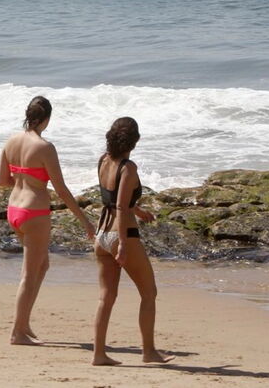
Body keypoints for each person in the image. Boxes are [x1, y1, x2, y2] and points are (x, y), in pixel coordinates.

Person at [0, 95, 97, 345]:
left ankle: (24, 324)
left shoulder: (11, 142)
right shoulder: (45, 148)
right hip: (34, 212)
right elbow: (61, 190)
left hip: (14, 209)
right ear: (47, 118)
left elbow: (2, 180)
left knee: (42, 266)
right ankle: (17, 332)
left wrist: (24, 179)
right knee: (29, 274)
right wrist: (85, 220)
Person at [92, 117, 173, 366]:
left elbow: (112, 197)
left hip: (101, 234)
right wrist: (124, 245)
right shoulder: (128, 167)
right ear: (135, 141)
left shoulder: (103, 160)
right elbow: (119, 205)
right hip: (121, 234)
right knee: (149, 292)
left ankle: (99, 354)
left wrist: (138, 210)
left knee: (106, 297)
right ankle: (149, 352)